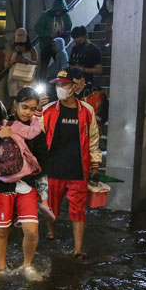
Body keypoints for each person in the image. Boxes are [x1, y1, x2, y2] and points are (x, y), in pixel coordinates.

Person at [0, 87, 52, 279]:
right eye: (24, 107)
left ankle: (27, 265)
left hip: (27, 187)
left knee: (32, 232)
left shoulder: (36, 132)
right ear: (15, 105)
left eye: (32, 109)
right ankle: (2, 268)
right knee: (2, 230)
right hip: (2, 187)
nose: (27, 112)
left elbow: (44, 161)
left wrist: (34, 181)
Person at [40, 68, 102, 258]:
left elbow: (93, 138)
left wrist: (95, 163)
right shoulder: (47, 110)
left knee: (78, 210)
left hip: (77, 170)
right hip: (53, 169)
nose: (60, 88)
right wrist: (35, 112)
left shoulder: (87, 111)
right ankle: (51, 232)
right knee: (50, 208)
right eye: (58, 84)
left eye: (64, 84)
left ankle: (77, 249)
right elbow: (35, 135)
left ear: (75, 86)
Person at [34, 0, 72, 76]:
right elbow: (37, 28)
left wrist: (63, 44)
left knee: (61, 66)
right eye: (57, 10)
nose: (58, 12)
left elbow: (68, 32)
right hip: (46, 46)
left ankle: (61, 83)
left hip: (59, 48)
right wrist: (48, 34)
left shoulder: (66, 17)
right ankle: (42, 83)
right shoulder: (45, 15)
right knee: (43, 67)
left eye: (60, 11)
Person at [5, 28, 38, 107]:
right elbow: (5, 65)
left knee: (29, 99)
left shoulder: (32, 50)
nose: (20, 46)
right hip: (14, 79)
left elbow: (37, 64)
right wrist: (14, 61)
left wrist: (27, 61)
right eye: (18, 43)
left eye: (22, 44)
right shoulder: (12, 50)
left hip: (28, 78)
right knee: (14, 102)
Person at [69, 26, 102, 98]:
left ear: (86, 37)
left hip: (87, 83)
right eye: (76, 41)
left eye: (80, 41)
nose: (78, 43)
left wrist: (82, 69)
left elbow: (99, 70)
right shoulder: (75, 48)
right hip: (73, 82)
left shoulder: (94, 50)